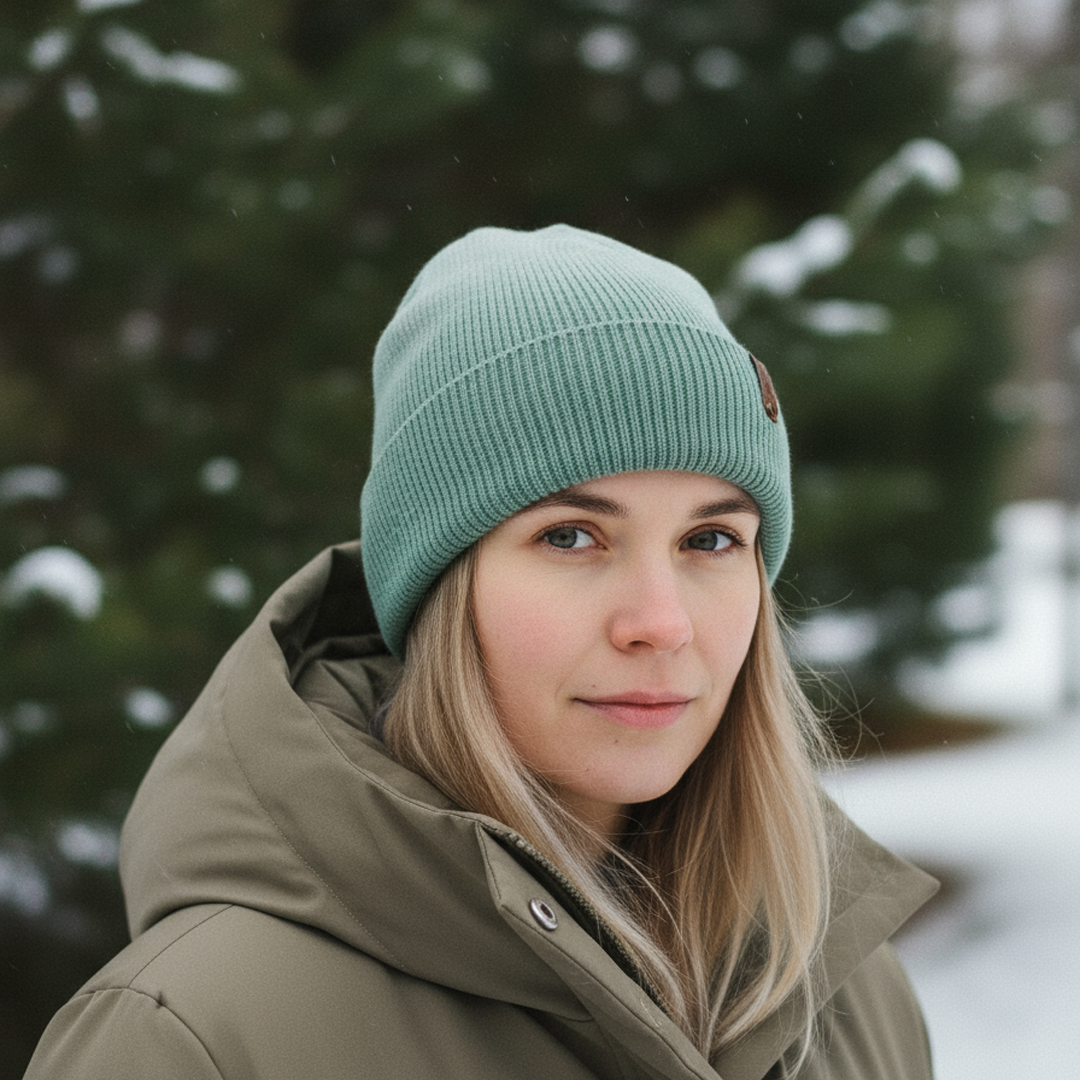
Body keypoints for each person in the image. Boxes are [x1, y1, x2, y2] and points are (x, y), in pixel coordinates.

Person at [24, 225, 938, 1079]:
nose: (661, 622)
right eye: (572, 537)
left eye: (711, 542)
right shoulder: (193, 1037)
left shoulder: (845, 994)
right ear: (438, 588)